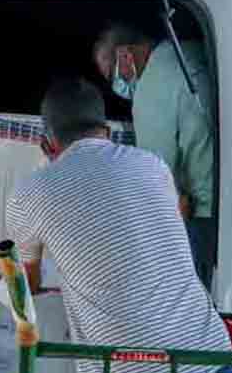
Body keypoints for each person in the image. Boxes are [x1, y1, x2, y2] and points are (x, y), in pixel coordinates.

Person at [6, 77, 232, 373]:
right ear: (106, 130)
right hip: (214, 371)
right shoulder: (151, 165)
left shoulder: (31, 192)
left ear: (45, 141)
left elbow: (22, 289)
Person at [93, 22, 217, 288]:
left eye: (113, 75)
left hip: (201, 215)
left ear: (126, 55)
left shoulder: (151, 87)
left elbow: (155, 179)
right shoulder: (189, 53)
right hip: (227, 203)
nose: (118, 84)